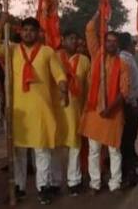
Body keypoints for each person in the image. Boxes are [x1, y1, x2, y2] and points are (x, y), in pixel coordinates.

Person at [0, 16, 68, 205]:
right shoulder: (13, 49)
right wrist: (0, 23)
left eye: (32, 30)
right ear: (20, 32)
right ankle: (19, 188)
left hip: (41, 110)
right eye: (25, 30)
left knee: (42, 151)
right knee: (18, 153)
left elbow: (59, 74)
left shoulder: (47, 51)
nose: (28, 33)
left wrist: (63, 89)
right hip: (18, 111)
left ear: (38, 33)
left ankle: (43, 188)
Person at [79, 17, 129, 194]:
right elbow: (90, 29)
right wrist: (99, 12)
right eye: (108, 41)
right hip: (94, 110)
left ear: (118, 45)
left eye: (114, 42)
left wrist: (110, 108)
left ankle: (115, 183)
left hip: (113, 113)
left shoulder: (123, 64)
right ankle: (95, 183)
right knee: (94, 150)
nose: (111, 44)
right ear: (104, 42)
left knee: (114, 150)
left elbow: (124, 92)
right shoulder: (96, 55)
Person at [52, 30, 90, 196]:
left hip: (76, 110)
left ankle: (74, 181)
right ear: (63, 39)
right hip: (55, 110)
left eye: (76, 38)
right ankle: (54, 181)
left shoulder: (84, 60)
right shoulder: (53, 57)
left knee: (75, 146)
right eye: (71, 38)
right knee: (57, 147)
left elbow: (88, 88)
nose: (75, 41)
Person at [117, 32, 138, 185]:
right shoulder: (124, 59)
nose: (135, 47)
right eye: (133, 44)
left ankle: (129, 168)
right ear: (128, 45)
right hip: (128, 104)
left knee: (130, 139)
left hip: (132, 103)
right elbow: (127, 85)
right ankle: (127, 173)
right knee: (127, 139)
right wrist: (132, 103)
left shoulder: (128, 58)